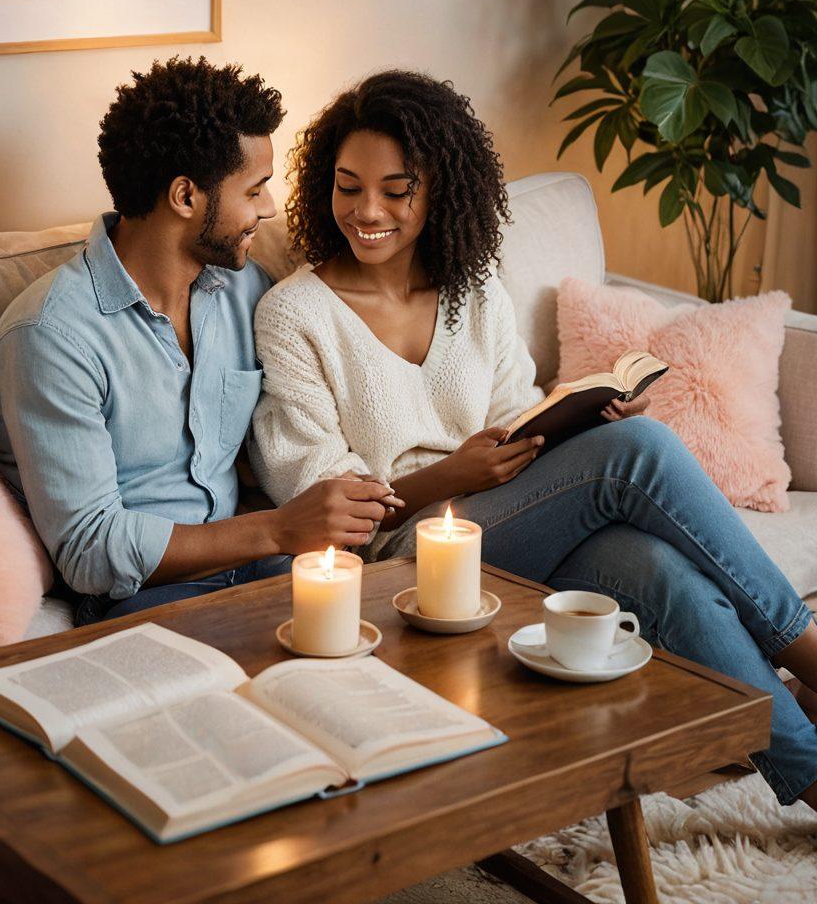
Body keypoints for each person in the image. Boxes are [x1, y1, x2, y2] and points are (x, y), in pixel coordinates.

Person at [249, 68, 817, 810]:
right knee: (637, 457)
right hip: (403, 557)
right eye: (348, 185)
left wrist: (574, 420)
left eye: (397, 189)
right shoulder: (294, 315)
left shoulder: (470, 290)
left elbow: (518, 411)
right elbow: (317, 500)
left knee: (659, 574)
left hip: (513, 521)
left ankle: (809, 777)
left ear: (439, 188)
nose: (367, 210)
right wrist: (452, 475)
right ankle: (804, 647)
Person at [0, 57, 399, 626]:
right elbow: (89, 550)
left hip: (265, 564)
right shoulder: (50, 338)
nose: (269, 208)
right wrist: (276, 528)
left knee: (394, 636)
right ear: (185, 197)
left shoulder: (245, 288)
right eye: (254, 190)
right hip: (144, 596)